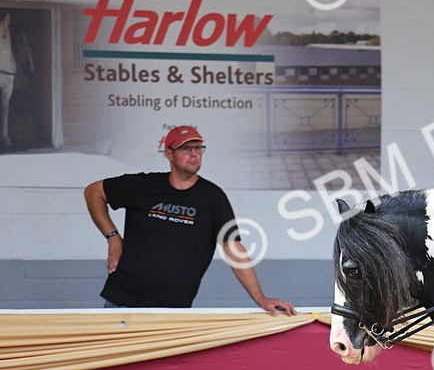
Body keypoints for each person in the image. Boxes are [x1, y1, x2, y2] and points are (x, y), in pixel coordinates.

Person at [84, 125, 295, 314]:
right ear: (169, 153)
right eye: (186, 149)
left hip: (173, 311)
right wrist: (112, 236)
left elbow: (233, 247)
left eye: (198, 148)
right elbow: (94, 192)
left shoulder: (212, 197)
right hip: (122, 303)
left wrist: (260, 298)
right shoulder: (143, 185)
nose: (194, 154)